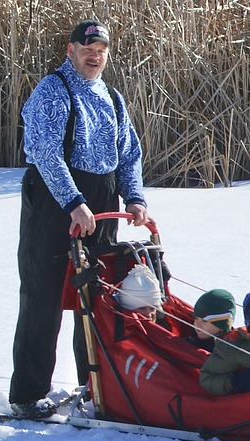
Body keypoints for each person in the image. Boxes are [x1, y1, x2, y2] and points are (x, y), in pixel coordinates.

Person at [10, 19, 149, 420]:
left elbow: (130, 153)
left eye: (102, 49)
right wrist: (73, 202)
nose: (95, 55)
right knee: (44, 296)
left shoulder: (112, 97)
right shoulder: (52, 91)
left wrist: (135, 197)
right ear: (70, 50)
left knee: (96, 299)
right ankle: (28, 394)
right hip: (56, 201)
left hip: (102, 202)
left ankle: (95, 388)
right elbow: (45, 152)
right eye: (87, 48)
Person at [185, 289, 236, 353]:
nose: (197, 324)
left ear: (221, 326)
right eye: (196, 318)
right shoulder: (189, 342)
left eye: (204, 321)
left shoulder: (230, 352)